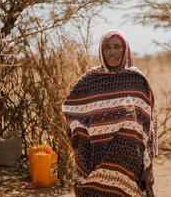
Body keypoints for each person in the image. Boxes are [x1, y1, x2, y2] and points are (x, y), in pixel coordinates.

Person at [62, 30, 158, 197]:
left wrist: (148, 167)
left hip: (129, 162)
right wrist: (79, 133)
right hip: (95, 160)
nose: (112, 52)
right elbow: (70, 108)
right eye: (107, 47)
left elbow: (148, 125)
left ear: (125, 49)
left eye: (116, 47)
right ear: (101, 51)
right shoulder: (90, 80)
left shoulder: (136, 80)